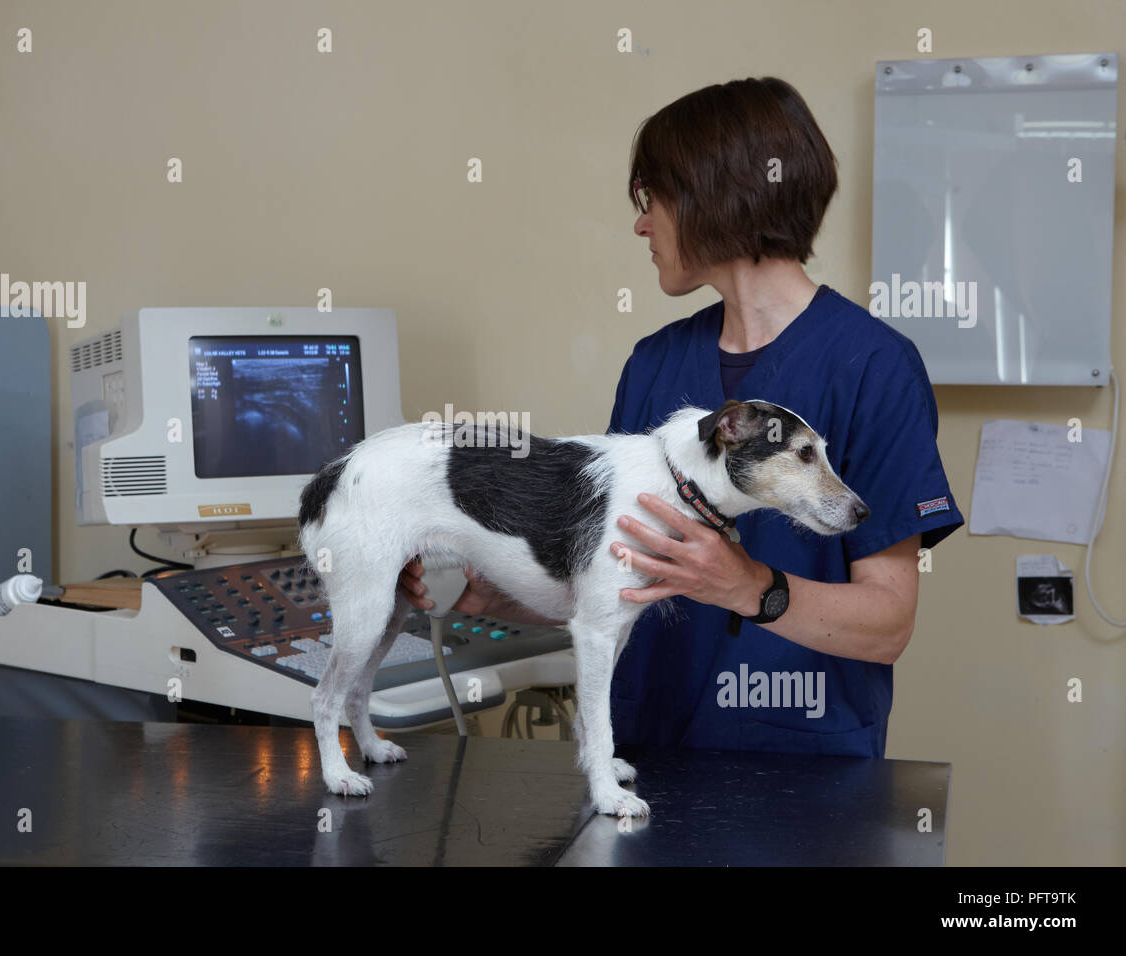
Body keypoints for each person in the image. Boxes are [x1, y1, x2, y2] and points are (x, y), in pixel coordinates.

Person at [398, 76, 964, 759]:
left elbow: (888, 624)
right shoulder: (654, 366)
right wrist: (490, 591)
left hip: (802, 783)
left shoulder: (874, 367)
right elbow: (607, 576)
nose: (641, 223)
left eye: (651, 198)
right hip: (644, 763)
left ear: (711, 195)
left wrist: (749, 587)